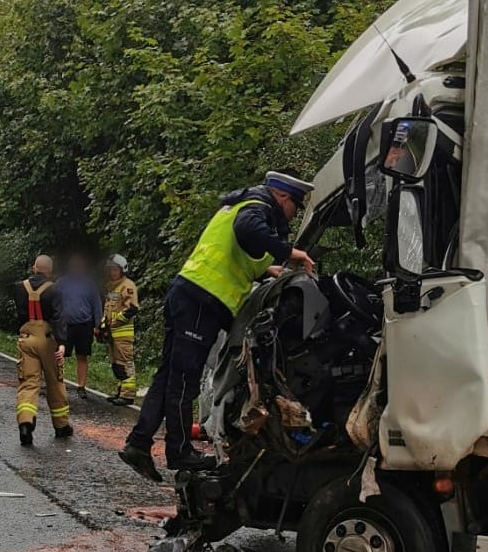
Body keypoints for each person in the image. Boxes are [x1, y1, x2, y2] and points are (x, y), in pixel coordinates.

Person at [118, 170, 315, 483]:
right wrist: (290, 252)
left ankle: (139, 445)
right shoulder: (258, 206)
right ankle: (180, 451)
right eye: (296, 205)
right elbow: (248, 229)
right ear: (282, 197)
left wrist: (272, 270)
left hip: (189, 295)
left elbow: (239, 252)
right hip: (201, 301)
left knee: (169, 375)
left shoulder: (243, 204)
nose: (294, 213)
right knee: (184, 380)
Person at [13, 254, 73, 446]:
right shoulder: (55, 290)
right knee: (55, 382)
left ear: (34, 268)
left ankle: (25, 422)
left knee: (28, 383)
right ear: (50, 271)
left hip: (26, 338)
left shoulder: (19, 288)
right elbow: (59, 317)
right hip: (48, 340)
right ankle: (61, 426)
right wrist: (62, 342)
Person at [57, 253, 103, 399]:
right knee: (60, 355)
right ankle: (57, 383)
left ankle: (81, 386)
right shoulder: (62, 283)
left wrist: (98, 325)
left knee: (82, 355)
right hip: (65, 325)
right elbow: (53, 301)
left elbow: (97, 305)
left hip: (84, 325)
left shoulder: (89, 284)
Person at [101, 254, 139, 406]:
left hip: (123, 334)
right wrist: (102, 325)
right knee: (117, 364)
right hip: (112, 334)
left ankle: (128, 395)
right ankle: (121, 390)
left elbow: (132, 309)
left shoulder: (127, 285)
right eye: (110, 270)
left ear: (122, 269)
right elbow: (108, 310)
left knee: (126, 363)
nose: (112, 273)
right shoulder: (113, 287)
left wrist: (115, 322)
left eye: (115, 270)